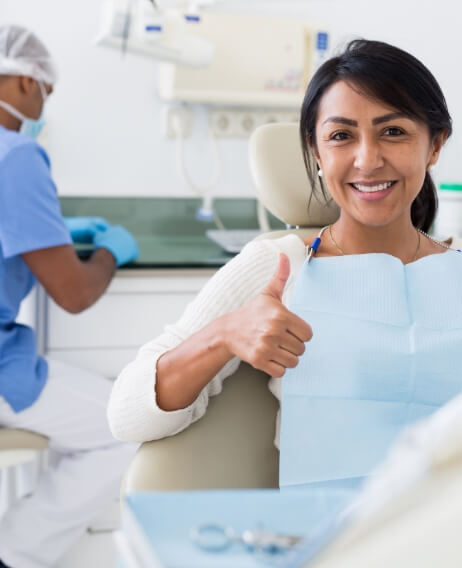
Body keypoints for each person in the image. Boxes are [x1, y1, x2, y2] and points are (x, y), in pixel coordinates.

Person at [107, 39, 461, 515]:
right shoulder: (281, 265)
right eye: (341, 136)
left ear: (434, 145)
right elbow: (127, 414)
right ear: (315, 152)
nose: (367, 159)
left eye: (393, 131)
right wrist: (223, 336)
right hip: (330, 537)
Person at [0, 25, 139, 568]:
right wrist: (108, 252)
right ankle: (17, 555)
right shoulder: (16, 157)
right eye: (46, 93)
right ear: (21, 82)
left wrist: (53, 231)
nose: (44, 108)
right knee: (122, 427)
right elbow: (75, 294)